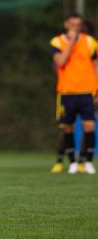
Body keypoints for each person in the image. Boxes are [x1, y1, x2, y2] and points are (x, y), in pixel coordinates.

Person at [50, 13, 97, 174]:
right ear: (66, 25)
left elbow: (96, 66)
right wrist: (71, 43)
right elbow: (60, 61)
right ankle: (72, 163)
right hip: (66, 92)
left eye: (78, 25)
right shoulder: (57, 41)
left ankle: (87, 161)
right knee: (67, 128)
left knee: (89, 127)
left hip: (87, 91)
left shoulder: (90, 42)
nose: (75, 28)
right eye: (72, 24)